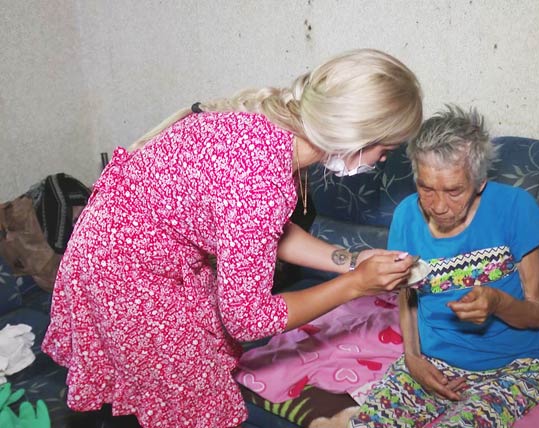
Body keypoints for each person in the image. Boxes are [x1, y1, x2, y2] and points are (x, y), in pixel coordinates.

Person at [41, 48, 422, 428]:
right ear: (353, 135)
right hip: (126, 276)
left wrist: (351, 260)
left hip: (115, 248)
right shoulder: (261, 180)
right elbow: (249, 320)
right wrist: (355, 285)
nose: (384, 161)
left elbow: (256, 232)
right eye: (384, 150)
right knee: (192, 408)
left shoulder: (269, 128)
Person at [350, 105, 539, 427]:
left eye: (454, 190)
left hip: (513, 368)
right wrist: (413, 358)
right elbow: (408, 296)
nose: (439, 207)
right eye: (426, 188)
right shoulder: (406, 215)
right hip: (432, 362)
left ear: (480, 182)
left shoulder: (515, 208)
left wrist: (498, 303)